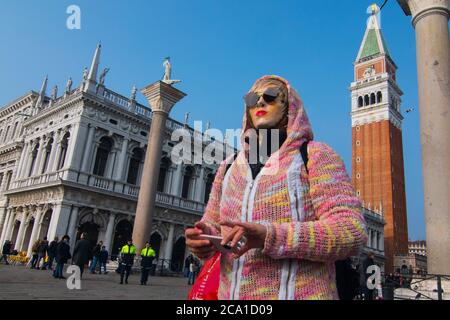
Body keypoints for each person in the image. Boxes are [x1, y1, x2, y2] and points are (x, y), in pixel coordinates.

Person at [185, 75, 367, 300]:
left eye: (270, 97)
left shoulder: (315, 156)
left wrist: (270, 236)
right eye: (252, 99)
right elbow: (214, 224)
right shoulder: (229, 166)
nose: (260, 102)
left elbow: (351, 231)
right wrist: (204, 239)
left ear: (289, 106)